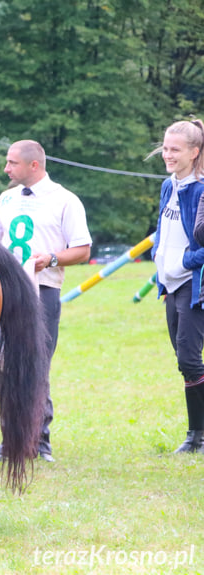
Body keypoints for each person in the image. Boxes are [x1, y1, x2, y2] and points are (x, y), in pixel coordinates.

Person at [0, 139, 92, 462]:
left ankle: (38, 441)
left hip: (42, 292)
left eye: (12, 163)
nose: (6, 169)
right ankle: (10, 440)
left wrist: (52, 259)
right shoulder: (4, 199)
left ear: (34, 165)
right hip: (4, 293)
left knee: (35, 366)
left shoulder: (65, 201)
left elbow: (83, 249)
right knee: (4, 366)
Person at [155, 119, 204, 453]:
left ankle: (197, 436)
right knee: (184, 359)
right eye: (165, 148)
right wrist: (160, 268)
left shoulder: (200, 190)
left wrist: (182, 264)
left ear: (194, 152)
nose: (167, 155)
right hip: (169, 285)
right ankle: (196, 435)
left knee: (189, 359)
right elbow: (165, 232)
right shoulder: (166, 186)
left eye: (175, 150)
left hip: (192, 284)